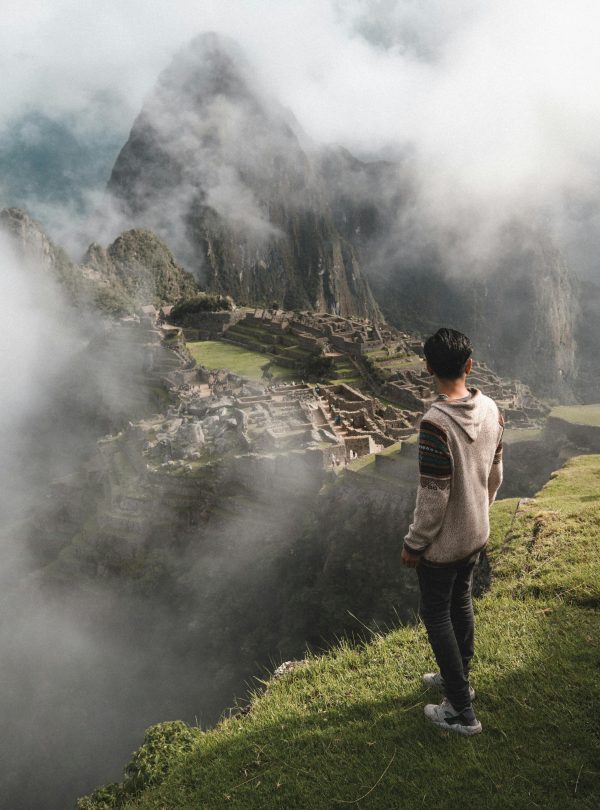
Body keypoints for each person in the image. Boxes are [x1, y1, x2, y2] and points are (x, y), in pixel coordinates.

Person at [402, 328, 504, 736]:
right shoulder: (494, 409)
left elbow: (433, 497)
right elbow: (495, 475)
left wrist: (414, 543)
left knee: (435, 613)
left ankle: (461, 711)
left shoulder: (435, 424)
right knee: (460, 601)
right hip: (477, 532)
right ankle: (458, 679)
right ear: (469, 365)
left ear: (427, 367)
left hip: (444, 543)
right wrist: (481, 512)